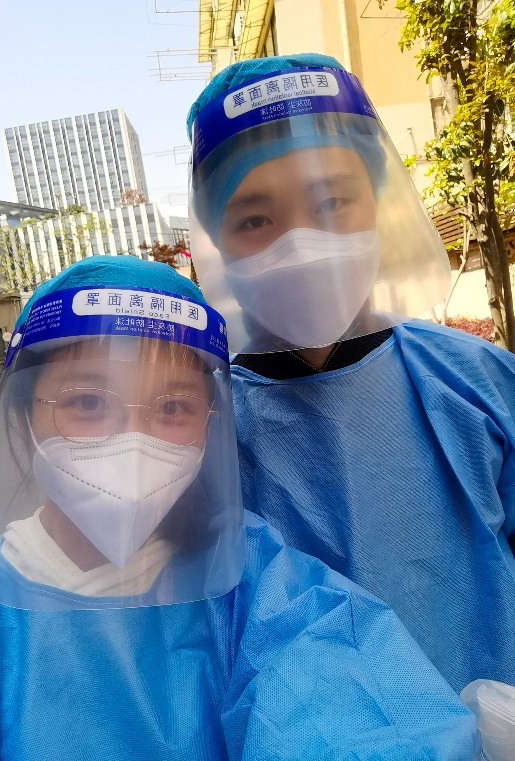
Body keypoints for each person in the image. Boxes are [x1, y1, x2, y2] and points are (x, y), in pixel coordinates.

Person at [0, 255, 478, 760]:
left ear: (210, 422)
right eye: (87, 402)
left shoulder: (254, 582)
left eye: (174, 407)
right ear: (21, 417)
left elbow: (351, 708)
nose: (132, 442)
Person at [186, 53, 515, 695]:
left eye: (333, 201)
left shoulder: (476, 383)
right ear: (217, 240)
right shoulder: (198, 430)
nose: (301, 243)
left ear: (378, 201)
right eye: (255, 219)